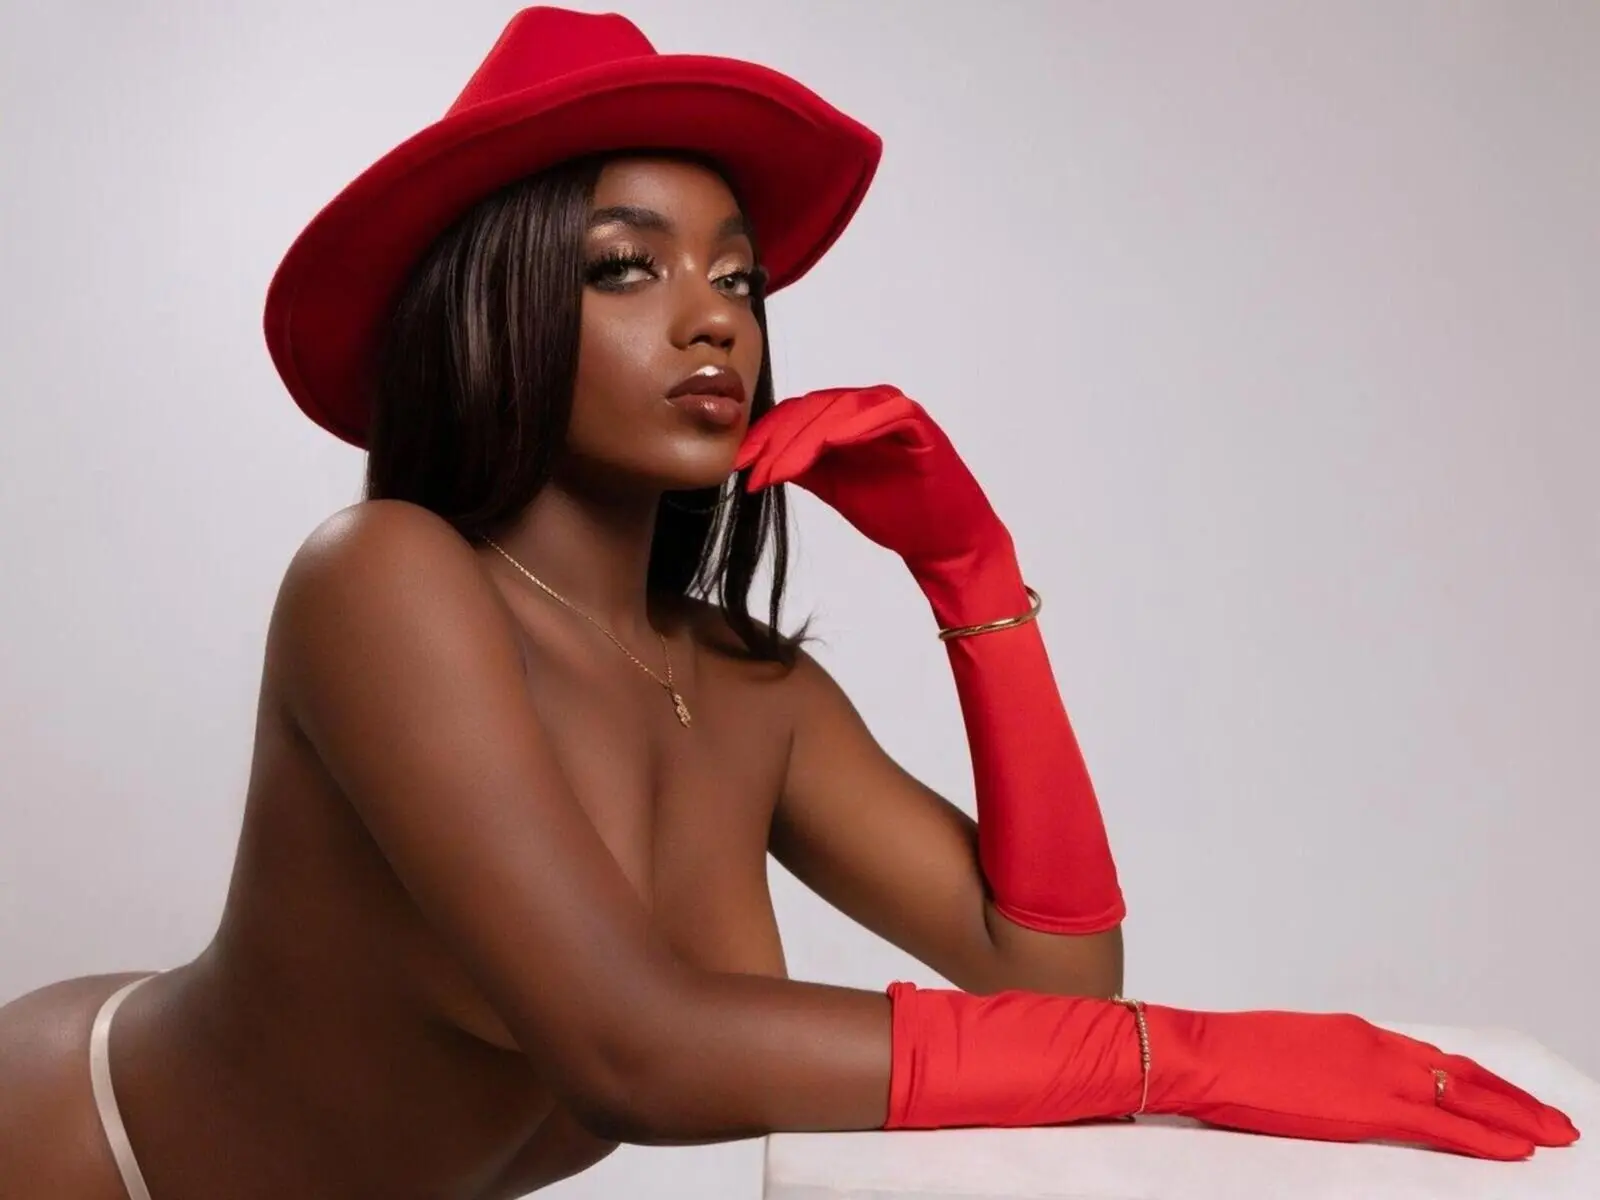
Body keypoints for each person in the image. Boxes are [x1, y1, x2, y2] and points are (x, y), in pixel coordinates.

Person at [0, 7, 1578, 1197]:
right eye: (626, 267)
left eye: (738, 277)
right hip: (81, 1159)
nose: (713, 321)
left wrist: (972, 576)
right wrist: (1209, 1057)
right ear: (493, 306)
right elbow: (631, 1049)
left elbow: (1052, 979)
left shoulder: (749, 690)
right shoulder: (385, 579)